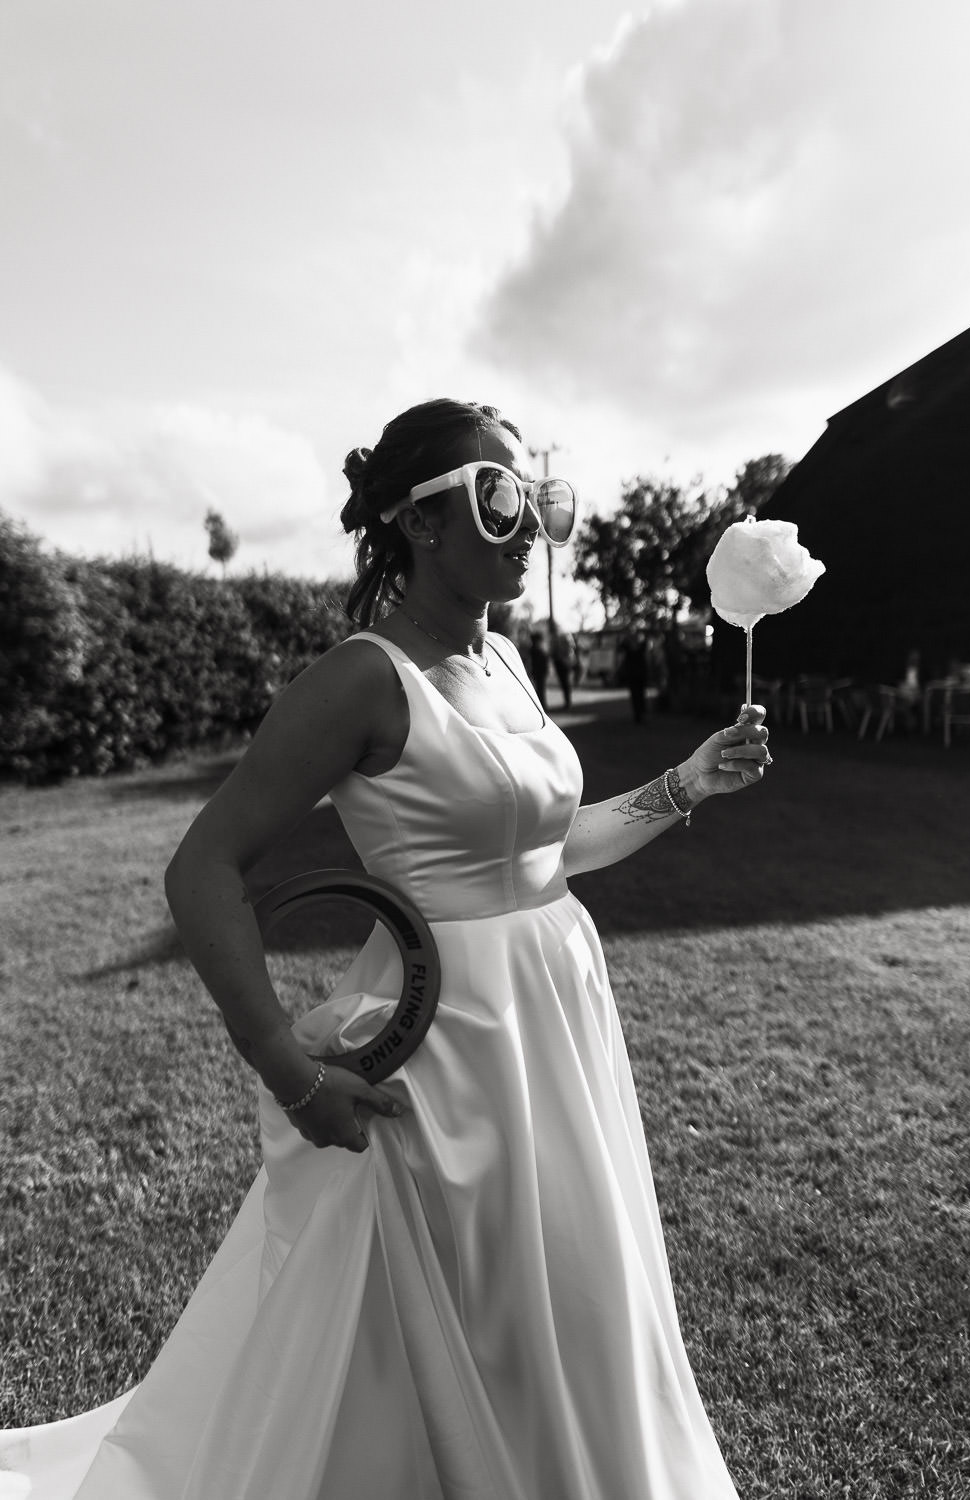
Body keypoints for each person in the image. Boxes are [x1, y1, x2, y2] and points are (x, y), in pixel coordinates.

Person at [1, 397, 771, 1500]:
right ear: (416, 523)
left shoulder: (507, 661)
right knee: (470, 1314)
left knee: (579, 1293)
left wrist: (683, 784)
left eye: (535, 499)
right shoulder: (361, 678)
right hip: (449, 1051)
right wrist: (288, 1063)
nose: (527, 526)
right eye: (497, 499)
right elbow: (201, 870)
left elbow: (544, 856)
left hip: (557, 1024)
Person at [619, 624, 649, 723]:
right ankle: (640, 714)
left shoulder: (628, 643)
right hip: (637, 672)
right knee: (639, 694)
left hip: (635, 672)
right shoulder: (640, 642)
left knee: (637, 694)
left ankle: (639, 714)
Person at [548, 622, 576, 710]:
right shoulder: (563, 635)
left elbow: (570, 646)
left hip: (563, 661)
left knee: (565, 682)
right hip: (563, 661)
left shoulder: (560, 636)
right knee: (565, 682)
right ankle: (567, 702)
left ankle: (568, 702)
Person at [528, 626, 550, 711]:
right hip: (537, 672)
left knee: (541, 689)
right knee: (539, 690)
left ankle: (542, 706)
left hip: (540, 672)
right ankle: (541, 706)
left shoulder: (539, 650)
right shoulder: (535, 649)